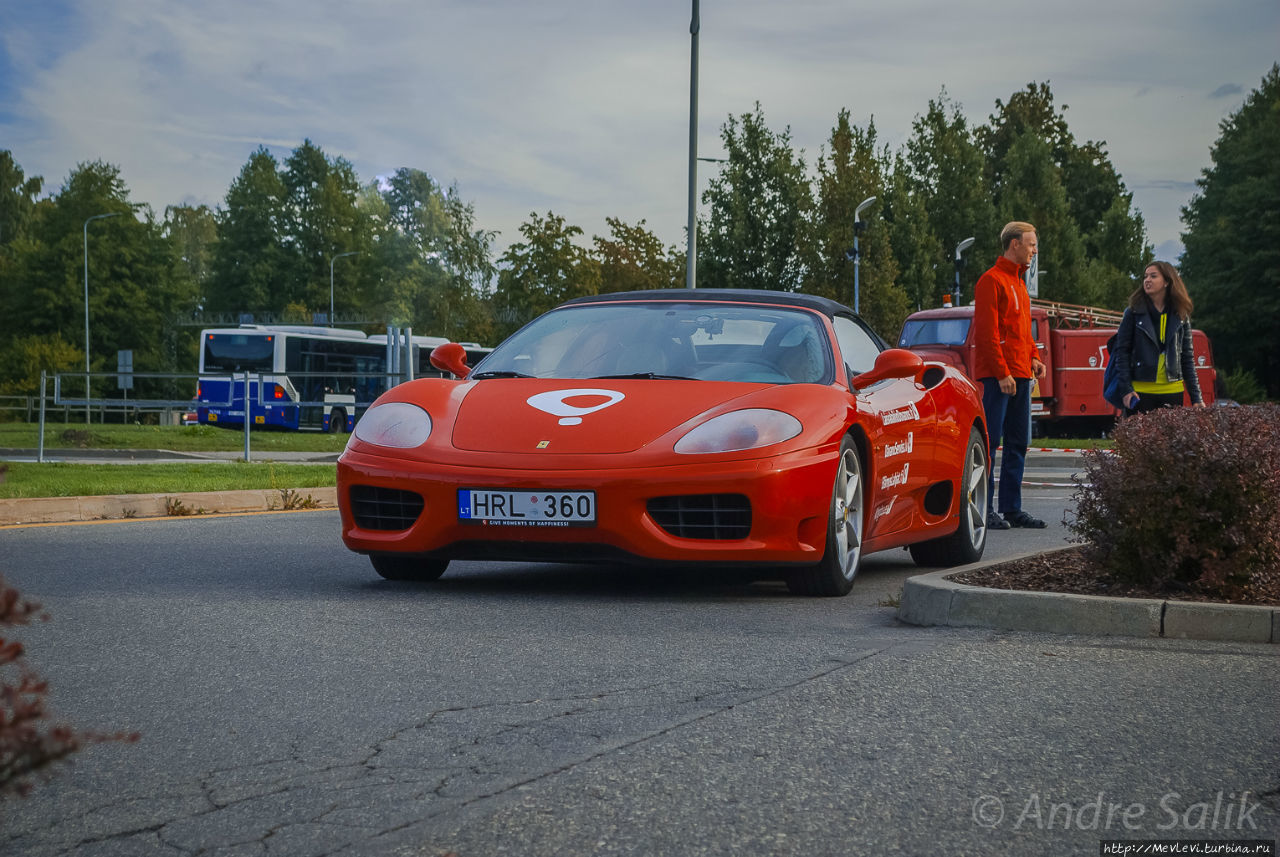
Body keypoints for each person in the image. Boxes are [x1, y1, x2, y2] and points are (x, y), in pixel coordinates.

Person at [972, 221, 1048, 530]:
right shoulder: (990, 281)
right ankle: (984, 509)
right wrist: (1002, 373)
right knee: (990, 443)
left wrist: (1034, 357)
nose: (1034, 251)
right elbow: (988, 335)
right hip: (998, 378)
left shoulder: (1020, 284)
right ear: (1014, 244)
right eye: (1031, 245)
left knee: (1018, 443)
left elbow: (1022, 332)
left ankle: (1012, 510)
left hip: (1021, 375)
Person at [1112, 261, 1205, 415]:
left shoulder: (1181, 315)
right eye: (1145, 276)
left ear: (1167, 282)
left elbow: (1187, 358)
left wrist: (1196, 398)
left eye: (1153, 276)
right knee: (1138, 438)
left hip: (1172, 391)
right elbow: (1122, 353)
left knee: (1169, 439)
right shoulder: (1133, 313)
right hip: (1140, 392)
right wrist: (1126, 390)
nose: (1147, 280)